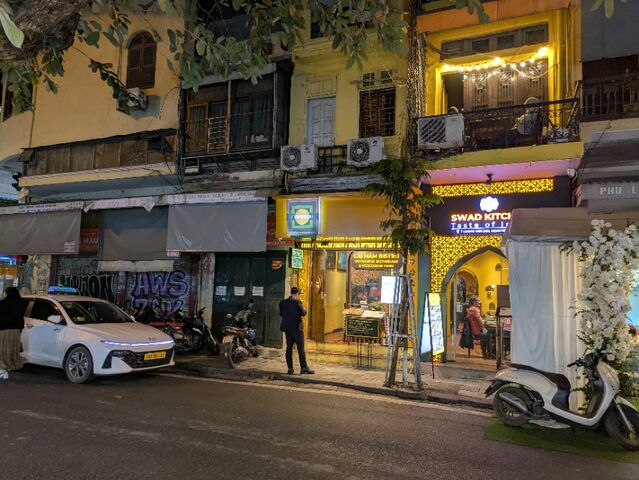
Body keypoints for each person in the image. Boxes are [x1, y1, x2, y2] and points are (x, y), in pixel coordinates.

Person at [279, 287, 314, 375]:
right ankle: (304, 368)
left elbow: (281, 314)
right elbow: (303, 313)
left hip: (287, 329)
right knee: (300, 349)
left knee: (289, 348)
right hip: (297, 329)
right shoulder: (297, 302)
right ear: (297, 294)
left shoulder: (283, 303)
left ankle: (290, 368)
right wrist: (304, 309)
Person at [0, 287, 26, 380]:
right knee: (11, 350)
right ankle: (7, 368)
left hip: (3, 330)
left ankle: (3, 370)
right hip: (16, 331)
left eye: (4, 293)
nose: (3, 294)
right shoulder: (21, 303)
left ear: (7, 294)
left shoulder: (2, 304)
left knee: (2, 350)